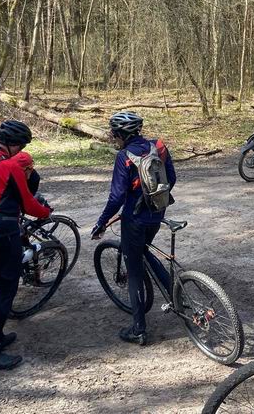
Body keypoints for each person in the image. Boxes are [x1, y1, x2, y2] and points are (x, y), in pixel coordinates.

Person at [0, 120, 52, 372]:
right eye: (22, 145)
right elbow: (27, 203)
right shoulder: (10, 166)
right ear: (14, 145)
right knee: (5, 287)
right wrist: (45, 212)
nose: (22, 150)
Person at [90, 111, 177, 346]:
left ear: (120, 134)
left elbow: (117, 196)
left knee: (135, 269)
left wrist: (101, 222)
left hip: (134, 220)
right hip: (157, 213)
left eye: (114, 133)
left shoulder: (124, 156)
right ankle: (175, 294)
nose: (113, 137)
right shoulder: (158, 146)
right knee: (144, 251)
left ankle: (138, 328)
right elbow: (171, 178)